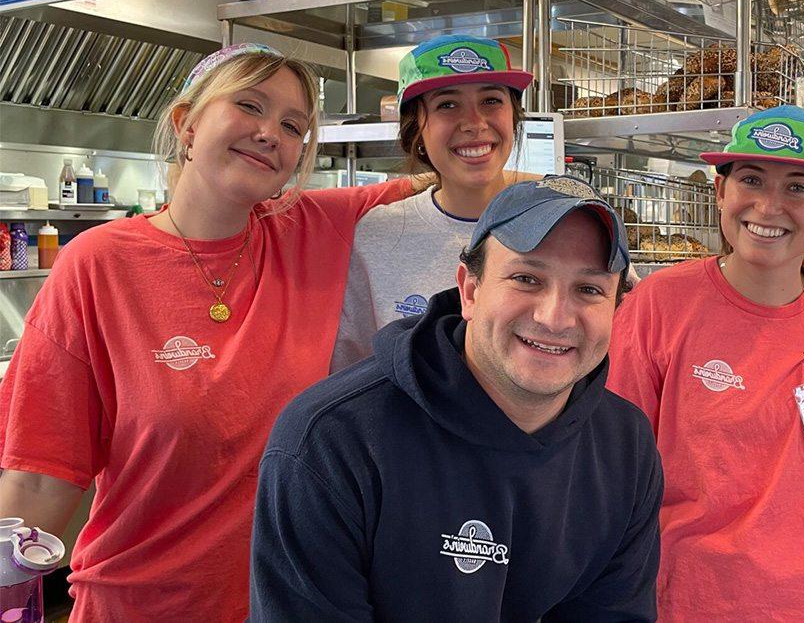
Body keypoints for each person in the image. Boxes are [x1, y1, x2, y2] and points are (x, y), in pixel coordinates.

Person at [0, 44, 426, 622]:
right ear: (187, 124)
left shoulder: (307, 229)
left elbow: (449, 182)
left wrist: (559, 190)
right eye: (249, 105)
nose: (270, 132)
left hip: (284, 604)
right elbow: (41, 476)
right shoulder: (98, 265)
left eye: (292, 125)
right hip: (138, 604)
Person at [250, 176, 663, 621]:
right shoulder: (330, 442)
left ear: (616, 308)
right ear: (469, 290)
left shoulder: (626, 447)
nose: (555, 318)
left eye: (589, 290)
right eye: (526, 278)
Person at [606, 105, 804, 621]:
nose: (768, 204)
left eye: (799, 187)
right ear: (720, 193)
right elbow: (613, 468)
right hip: (692, 600)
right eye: (751, 179)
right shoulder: (658, 305)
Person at [330, 34, 534, 371]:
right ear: (417, 132)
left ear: (514, 117)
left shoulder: (566, 225)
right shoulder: (377, 236)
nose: (474, 123)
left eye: (491, 101)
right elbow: (354, 373)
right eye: (447, 105)